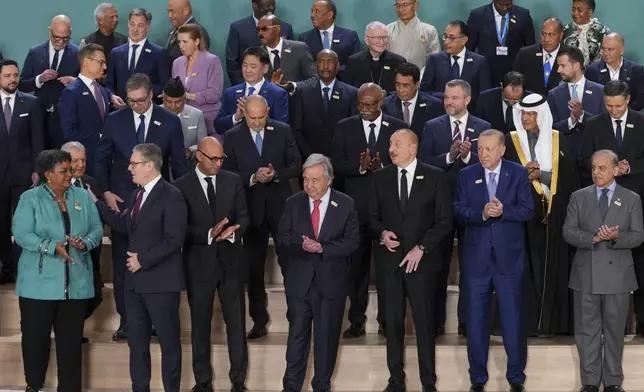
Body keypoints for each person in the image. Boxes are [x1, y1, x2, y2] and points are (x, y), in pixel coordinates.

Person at [94, 73, 188, 342]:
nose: (134, 105)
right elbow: (101, 160)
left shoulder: (169, 121)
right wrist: (106, 192)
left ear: (151, 96)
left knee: (153, 263)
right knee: (124, 266)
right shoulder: (114, 120)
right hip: (122, 203)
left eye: (140, 100)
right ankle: (128, 322)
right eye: (130, 100)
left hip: (158, 207)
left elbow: (179, 167)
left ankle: (156, 322)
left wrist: (176, 201)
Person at [91, 143, 186, 392]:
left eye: (134, 163)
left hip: (161, 284)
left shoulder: (171, 195)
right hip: (134, 286)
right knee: (137, 344)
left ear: (149, 166)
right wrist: (96, 203)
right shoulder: (137, 194)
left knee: (169, 345)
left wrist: (143, 259)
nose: (129, 168)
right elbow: (123, 223)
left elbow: (174, 240)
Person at [13, 149, 103, 392]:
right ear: (47, 174)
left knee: (71, 347)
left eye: (70, 171)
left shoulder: (82, 197)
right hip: (37, 287)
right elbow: (21, 235)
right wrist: (51, 246)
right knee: (34, 343)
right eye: (63, 171)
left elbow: (96, 229)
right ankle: (34, 386)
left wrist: (85, 243)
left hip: (75, 286)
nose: (69, 176)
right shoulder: (29, 199)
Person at [370, 129, 452, 392]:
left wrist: (421, 248)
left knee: (425, 323)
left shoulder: (435, 176)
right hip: (390, 262)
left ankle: (428, 382)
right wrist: (382, 233)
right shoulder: (379, 177)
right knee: (392, 323)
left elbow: (444, 220)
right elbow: (369, 216)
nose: (391, 149)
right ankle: (396, 379)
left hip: (422, 263)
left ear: (413, 148)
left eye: (397, 144)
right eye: (391, 144)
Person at [453, 129, 533, 392]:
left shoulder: (518, 173)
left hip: (509, 261)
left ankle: (516, 378)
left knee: (513, 320)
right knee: (476, 322)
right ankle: (477, 378)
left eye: (489, 149)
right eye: (480, 149)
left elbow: (527, 210)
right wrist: (482, 213)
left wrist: (503, 211)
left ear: (502, 150)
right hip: (477, 261)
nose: (483, 154)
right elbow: (458, 210)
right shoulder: (466, 175)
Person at [563, 149, 644, 392]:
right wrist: (593, 237)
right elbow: (568, 231)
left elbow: (638, 236)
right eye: (594, 168)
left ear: (616, 169)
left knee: (614, 332)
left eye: (602, 168)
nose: (596, 173)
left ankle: (612, 381)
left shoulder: (631, 199)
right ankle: (589, 381)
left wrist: (618, 236)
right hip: (585, 276)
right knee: (587, 332)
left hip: (618, 278)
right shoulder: (578, 197)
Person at [278, 153, 359, 392]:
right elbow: (282, 238)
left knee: (326, 338)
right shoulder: (293, 203)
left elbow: (353, 242)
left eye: (314, 180)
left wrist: (323, 247)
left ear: (329, 180)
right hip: (299, 282)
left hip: (330, 283)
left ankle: (321, 385)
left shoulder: (345, 204)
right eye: (305, 179)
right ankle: (291, 386)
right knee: (297, 338)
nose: (309, 185)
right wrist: (299, 244)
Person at [222, 95, 301, 339]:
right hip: (251, 211)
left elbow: (297, 164)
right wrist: (253, 177)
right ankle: (258, 320)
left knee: (290, 265)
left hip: (281, 209)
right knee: (253, 270)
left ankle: (297, 318)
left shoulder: (283, 131)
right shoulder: (233, 136)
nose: (256, 122)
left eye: (261, 117)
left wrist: (276, 173)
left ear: (268, 111)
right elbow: (228, 172)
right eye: (251, 118)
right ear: (244, 113)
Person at [332, 83, 408, 337]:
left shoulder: (398, 127)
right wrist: (361, 167)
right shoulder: (344, 126)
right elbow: (336, 163)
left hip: (389, 210)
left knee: (388, 270)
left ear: (381, 102)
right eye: (361, 105)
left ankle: (387, 321)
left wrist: (383, 165)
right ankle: (356, 321)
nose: (364, 109)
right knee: (356, 270)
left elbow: (408, 161)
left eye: (370, 105)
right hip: (356, 210)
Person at [174, 137, 250, 392]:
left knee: (236, 323)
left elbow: (244, 218)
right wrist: (208, 234)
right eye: (213, 159)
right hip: (199, 265)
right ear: (199, 156)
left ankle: (238, 380)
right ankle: (202, 381)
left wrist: (233, 233)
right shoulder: (181, 186)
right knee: (200, 325)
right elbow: (180, 227)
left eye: (221, 159)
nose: (218, 163)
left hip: (231, 263)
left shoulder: (233, 180)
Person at [504, 93, 579, 336]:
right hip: (521, 222)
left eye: (531, 113)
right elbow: (502, 178)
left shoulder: (558, 140)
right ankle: (525, 325)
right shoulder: (511, 140)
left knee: (553, 271)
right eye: (523, 113)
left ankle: (551, 325)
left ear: (542, 115)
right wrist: (523, 175)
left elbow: (571, 180)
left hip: (553, 221)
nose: (526, 118)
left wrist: (543, 176)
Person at [419, 79, 489, 335]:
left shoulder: (483, 127)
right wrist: (449, 156)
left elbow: (489, 164)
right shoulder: (432, 126)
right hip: (441, 207)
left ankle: (467, 322)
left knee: (472, 267)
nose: (448, 102)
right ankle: (436, 321)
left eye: (454, 98)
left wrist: (470, 156)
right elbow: (424, 163)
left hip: (472, 206)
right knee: (439, 266)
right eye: (447, 97)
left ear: (467, 100)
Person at [579, 80, 644, 336]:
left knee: (640, 263)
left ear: (627, 100)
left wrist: (630, 169)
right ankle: (605, 326)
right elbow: (583, 160)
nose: (614, 111)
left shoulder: (641, 122)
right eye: (609, 106)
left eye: (618, 106)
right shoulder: (595, 124)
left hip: (637, 203)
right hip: (602, 206)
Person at [0, 59, 45, 284]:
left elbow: (38, 139)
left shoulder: (31, 103)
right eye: (7, 75)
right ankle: (6, 267)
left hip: (24, 175)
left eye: (15, 75)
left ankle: (20, 267)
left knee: (22, 224)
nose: (13, 79)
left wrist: (37, 170)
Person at [61, 141, 105, 343]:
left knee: (95, 296)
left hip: (89, 252)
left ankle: (69, 329)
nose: (80, 165)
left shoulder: (91, 183)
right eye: (75, 160)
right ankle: (70, 332)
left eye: (83, 159)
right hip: (66, 254)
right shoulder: (55, 185)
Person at [58, 43, 124, 176]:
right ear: (87, 62)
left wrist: (111, 96)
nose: (105, 67)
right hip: (86, 164)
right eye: (101, 62)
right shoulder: (71, 93)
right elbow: (69, 131)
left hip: (106, 161)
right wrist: (101, 136)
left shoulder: (101, 89)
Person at [19, 15, 79, 149]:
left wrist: (74, 81)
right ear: (49, 30)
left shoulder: (78, 53)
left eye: (65, 38)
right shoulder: (35, 52)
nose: (60, 42)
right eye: (57, 37)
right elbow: (22, 84)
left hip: (66, 121)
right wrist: (39, 79)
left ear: (70, 33)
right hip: (39, 118)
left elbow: (90, 83)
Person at [293, 49, 358, 159]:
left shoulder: (352, 93)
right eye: (321, 62)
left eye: (330, 62)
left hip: (341, 161)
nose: (326, 66)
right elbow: (296, 129)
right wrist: (311, 156)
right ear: (315, 65)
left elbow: (353, 130)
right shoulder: (302, 92)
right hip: (309, 159)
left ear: (337, 66)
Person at [215, 46, 288, 134]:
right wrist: (236, 117)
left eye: (253, 66)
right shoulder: (230, 93)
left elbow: (281, 129)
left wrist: (258, 115)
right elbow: (218, 127)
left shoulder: (278, 94)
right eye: (245, 65)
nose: (247, 70)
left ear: (265, 69)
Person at [420, 21, 491, 110]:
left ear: (464, 40)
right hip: (441, 115)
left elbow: (484, 95)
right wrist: (444, 97)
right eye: (445, 37)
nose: (446, 41)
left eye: (452, 38)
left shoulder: (479, 61)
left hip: (469, 116)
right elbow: (424, 91)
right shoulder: (435, 60)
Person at [547, 46, 604, 156]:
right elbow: (550, 127)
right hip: (564, 157)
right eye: (558, 66)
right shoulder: (554, 94)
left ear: (576, 66)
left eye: (563, 66)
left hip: (593, 157)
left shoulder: (600, 91)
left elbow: (604, 125)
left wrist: (582, 115)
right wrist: (570, 121)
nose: (558, 70)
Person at [466, 0, 535, 87]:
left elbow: (530, 46)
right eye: (501, 5)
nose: (505, 8)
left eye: (508, 4)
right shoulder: (477, 16)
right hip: (486, 72)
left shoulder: (523, 15)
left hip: (514, 72)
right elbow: (469, 48)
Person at [106, 8, 169, 102]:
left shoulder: (159, 53)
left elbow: (164, 85)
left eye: (140, 25)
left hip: (147, 109)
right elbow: (109, 84)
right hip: (121, 109)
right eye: (132, 24)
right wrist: (112, 97)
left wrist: (143, 93)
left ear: (148, 27)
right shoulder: (116, 53)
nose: (135, 29)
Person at [226, 0, 294, 85]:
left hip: (281, 87)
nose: (271, 8)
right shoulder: (238, 28)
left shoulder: (285, 28)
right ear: (255, 5)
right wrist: (246, 88)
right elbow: (232, 63)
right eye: (267, 5)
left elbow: (291, 61)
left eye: (273, 5)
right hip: (248, 90)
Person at [172, 23, 223, 137]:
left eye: (185, 42)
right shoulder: (177, 63)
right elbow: (176, 88)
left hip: (208, 120)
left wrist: (188, 95)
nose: (181, 46)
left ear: (196, 42)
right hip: (184, 121)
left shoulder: (212, 61)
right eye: (179, 42)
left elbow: (214, 94)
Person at [298, 0, 360, 78]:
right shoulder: (304, 38)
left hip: (342, 84)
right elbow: (303, 66)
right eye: (312, 11)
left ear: (330, 14)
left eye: (317, 11)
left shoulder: (350, 36)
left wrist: (334, 70)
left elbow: (355, 64)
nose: (312, 15)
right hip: (314, 85)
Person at [382, 62, 444, 139]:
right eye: (398, 84)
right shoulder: (385, 104)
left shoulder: (434, 106)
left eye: (405, 85)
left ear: (417, 85)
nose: (400, 90)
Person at [585, 33, 644, 111]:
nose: (605, 53)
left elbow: (640, 99)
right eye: (603, 49)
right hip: (601, 118)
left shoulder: (636, 70)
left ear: (621, 50)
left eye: (610, 49)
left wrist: (624, 114)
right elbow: (590, 98)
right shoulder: (593, 70)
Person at [344, 22, 406, 95]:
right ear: (367, 40)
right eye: (377, 38)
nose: (382, 42)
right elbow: (348, 90)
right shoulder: (354, 61)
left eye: (385, 37)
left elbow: (402, 90)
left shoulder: (398, 61)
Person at [260, 14, 317, 94]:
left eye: (264, 29)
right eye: (258, 30)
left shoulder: (299, 48)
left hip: (295, 102)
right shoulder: (257, 54)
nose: (260, 33)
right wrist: (269, 87)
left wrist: (293, 86)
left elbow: (314, 79)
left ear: (277, 29)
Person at [513, 17, 564, 98]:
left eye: (551, 35)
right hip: (530, 105)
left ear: (561, 36)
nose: (546, 39)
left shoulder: (569, 56)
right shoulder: (525, 54)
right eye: (544, 34)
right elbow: (515, 84)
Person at [386, 0, 440, 71]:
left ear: (416, 5)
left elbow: (434, 60)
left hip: (420, 78)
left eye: (405, 5)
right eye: (397, 5)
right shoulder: (387, 30)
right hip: (392, 77)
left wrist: (420, 76)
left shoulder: (429, 30)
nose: (400, 9)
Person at [162, 76, 208, 158]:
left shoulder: (197, 115)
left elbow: (203, 145)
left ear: (184, 99)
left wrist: (190, 150)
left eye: (178, 102)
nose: (173, 106)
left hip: (188, 163)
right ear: (163, 98)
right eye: (168, 102)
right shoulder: (155, 114)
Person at [563, 0, 611, 66]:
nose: (575, 13)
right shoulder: (565, 29)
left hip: (596, 74)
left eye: (579, 10)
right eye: (573, 9)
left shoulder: (602, 31)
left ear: (590, 11)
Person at [165, 0, 211, 67]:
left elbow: (197, 65)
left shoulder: (199, 32)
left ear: (186, 11)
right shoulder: (172, 32)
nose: (169, 15)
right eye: (168, 11)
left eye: (172, 11)